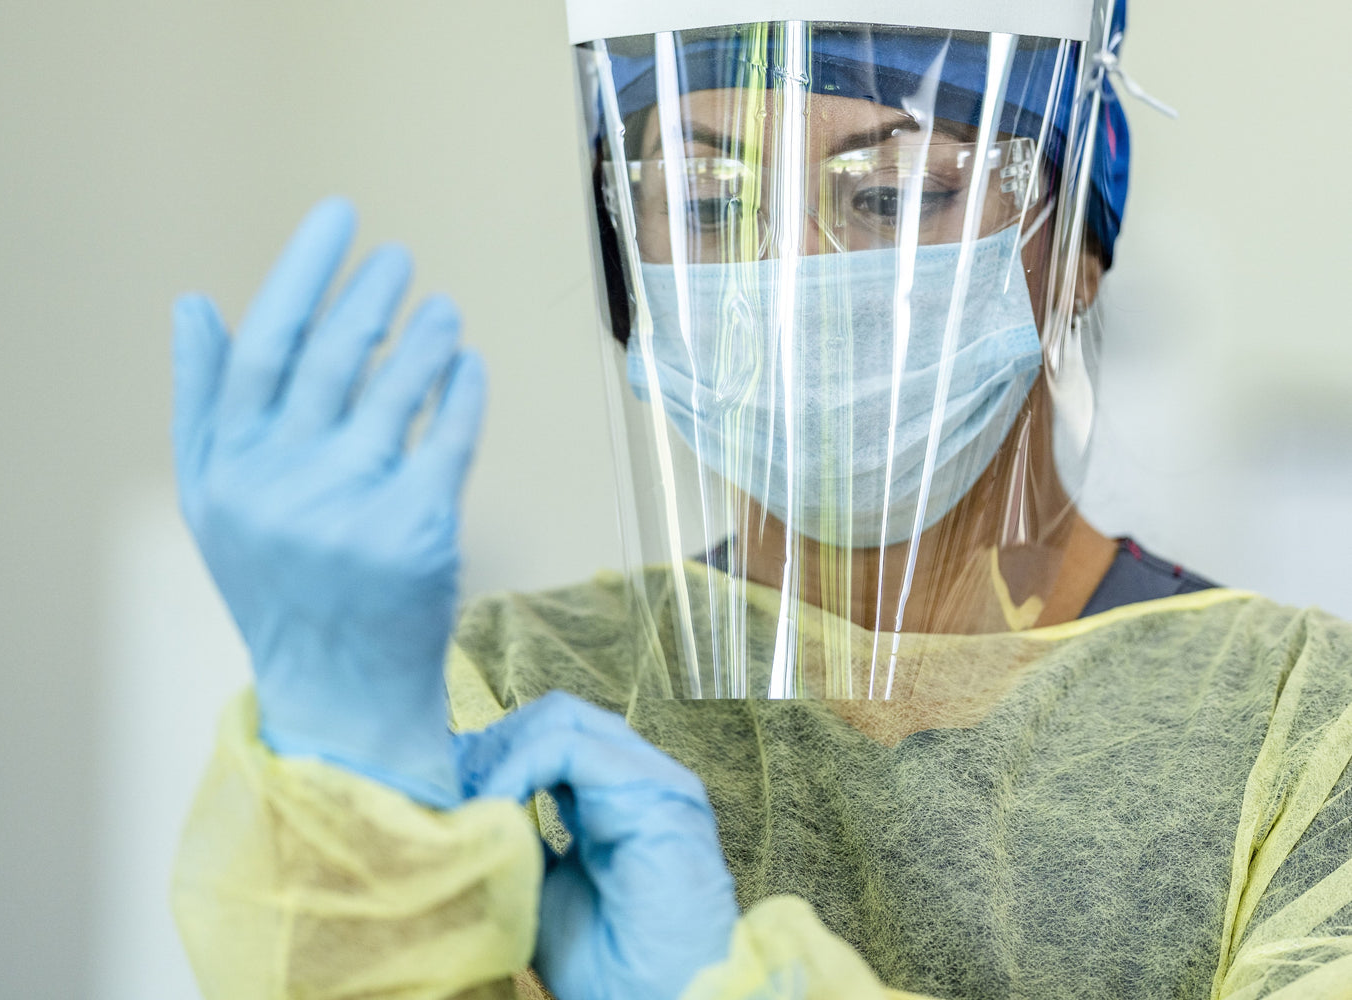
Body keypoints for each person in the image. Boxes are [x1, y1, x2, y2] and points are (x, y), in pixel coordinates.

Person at [168, 3, 1352, 998]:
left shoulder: (1302, 740)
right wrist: (350, 792)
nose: (788, 279)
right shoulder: (504, 695)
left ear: (1076, 239)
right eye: (702, 197)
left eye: (893, 194)